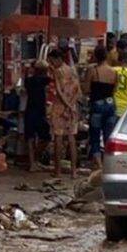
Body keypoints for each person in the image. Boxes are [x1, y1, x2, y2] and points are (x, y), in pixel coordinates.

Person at [47, 47, 81, 176]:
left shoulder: (57, 71)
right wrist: (71, 105)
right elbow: (77, 91)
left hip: (59, 107)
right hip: (72, 107)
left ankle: (58, 171)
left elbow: (59, 91)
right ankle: (73, 171)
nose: (51, 64)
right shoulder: (72, 70)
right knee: (71, 139)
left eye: (52, 61)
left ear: (58, 59)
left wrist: (66, 105)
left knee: (58, 138)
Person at [82, 45, 118, 168]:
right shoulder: (114, 72)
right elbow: (115, 89)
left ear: (96, 57)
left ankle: (99, 163)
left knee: (95, 135)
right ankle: (109, 162)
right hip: (110, 104)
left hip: (97, 105)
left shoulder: (93, 71)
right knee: (109, 135)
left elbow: (86, 89)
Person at [23, 60, 50, 173]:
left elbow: (25, 79)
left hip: (29, 110)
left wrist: (27, 70)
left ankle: (32, 162)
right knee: (46, 137)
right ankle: (35, 158)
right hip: (40, 112)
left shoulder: (28, 81)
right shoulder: (45, 80)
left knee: (30, 138)